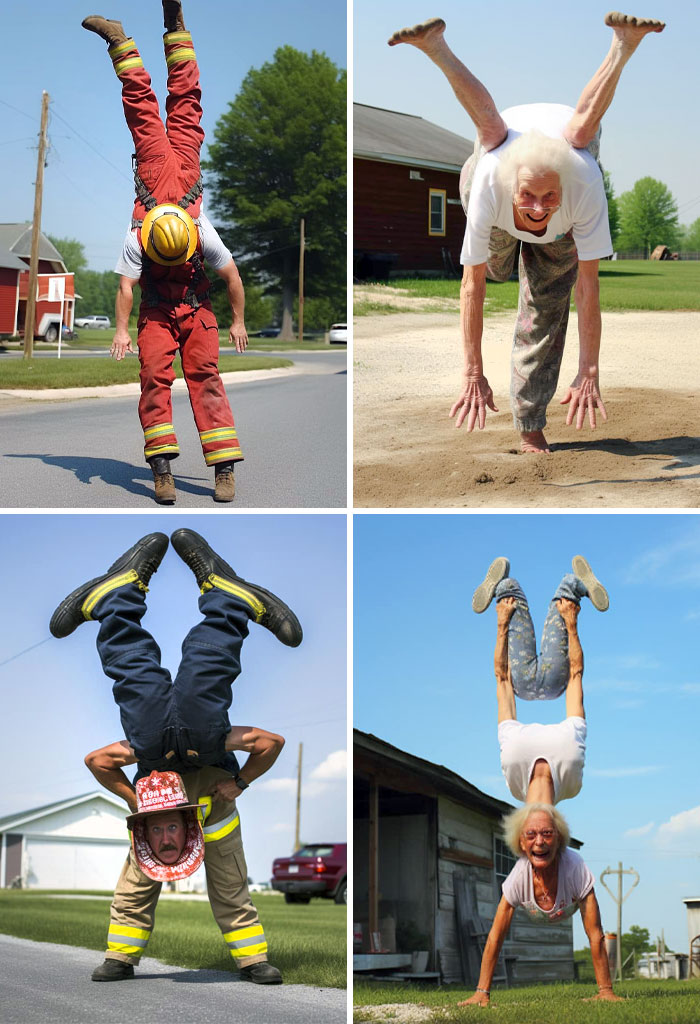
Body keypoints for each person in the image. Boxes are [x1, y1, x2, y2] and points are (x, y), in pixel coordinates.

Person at [388, 13, 665, 453]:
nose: (538, 208)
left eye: (548, 197)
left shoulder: (585, 184)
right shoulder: (489, 183)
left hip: (561, 190)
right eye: (529, 197)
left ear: (563, 188)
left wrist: (589, 369)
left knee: (543, 312)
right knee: (492, 147)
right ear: (511, 189)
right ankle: (436, 49)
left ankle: (530, 426)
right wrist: (472, 372)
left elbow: (587, 288)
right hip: (499, 167)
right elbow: (471, 286)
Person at [50, 528, 302, 984]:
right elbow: (270, 742)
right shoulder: (214, 817)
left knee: (133, 673)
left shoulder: (147, 830)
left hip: (152, 746)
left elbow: (97, 761)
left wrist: (133, 798)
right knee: (206, 677)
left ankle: (114, 599)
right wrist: (236, 776)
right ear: (183, 839)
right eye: (168, 838)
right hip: (204, 744)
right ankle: (231, 602)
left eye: (161, 837)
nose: (165, 839)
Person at [83, 1, 248, 503]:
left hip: (194, 310)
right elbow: (127, 287)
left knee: (204, 379)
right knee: (184, 105)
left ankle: (222, 468)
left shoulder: (201, 233)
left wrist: (238, 321)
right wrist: (117, 329)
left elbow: (232, 277)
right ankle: (162, 470)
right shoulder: (142, 238)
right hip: (160, 310)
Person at [472, 555, 608, 804]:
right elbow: (576, 673)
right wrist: (572, 624)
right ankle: (578, 586)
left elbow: (502, 678)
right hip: (553, 680)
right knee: (566, 594)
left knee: (508, 589)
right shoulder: (571, 784)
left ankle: (502, 588)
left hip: (521, 682)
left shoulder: (514, 785)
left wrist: (502, 625)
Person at [458, 804, 622, 1006]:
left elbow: (595, 934)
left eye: (547, 834)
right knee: (538, 787)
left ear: (559, 838)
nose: (539, 842)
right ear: (521, 842)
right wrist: (481, 992)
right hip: (533, 910)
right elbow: (495, 937)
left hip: (568, 905)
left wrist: (606, 991)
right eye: (531, 835)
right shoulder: (518, 877)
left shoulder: (575, 867)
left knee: (543, 787)